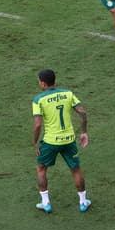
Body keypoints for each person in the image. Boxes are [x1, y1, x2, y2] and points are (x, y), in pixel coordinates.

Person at [32, 69, 91, 213]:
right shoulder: (68, 94)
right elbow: (82, 112)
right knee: (75, 169)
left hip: (50, 142)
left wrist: (35, 142)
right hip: (69, 140)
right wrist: (83, 132)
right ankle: (83, 202)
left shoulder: (38, 99)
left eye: (39, 81)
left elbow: (38, 124)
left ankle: (46, 203)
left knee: (41, 168)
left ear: (43, 83)